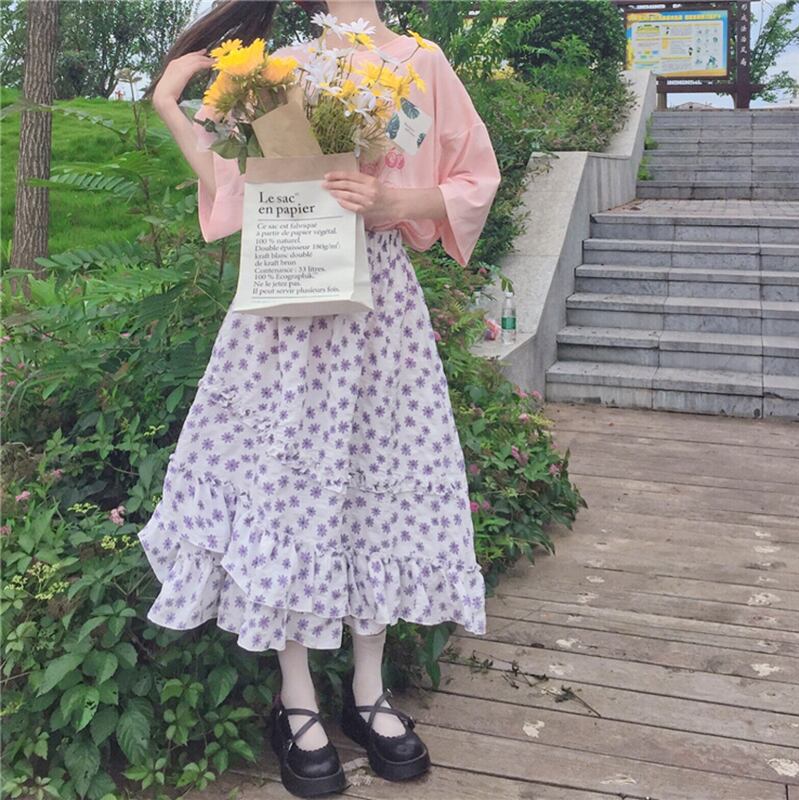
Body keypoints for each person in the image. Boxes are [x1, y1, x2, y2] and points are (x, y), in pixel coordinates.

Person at [141, 0, 501, 796]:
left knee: (381, 480)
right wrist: (169, 100)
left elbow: (474, 178)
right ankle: (296, 697)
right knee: (285, 490)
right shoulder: (276, 72)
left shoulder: (421, 62)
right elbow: (234, 187)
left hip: (379, 306)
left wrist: (394, 204)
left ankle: (368, 693)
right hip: (287, 305)